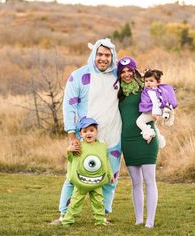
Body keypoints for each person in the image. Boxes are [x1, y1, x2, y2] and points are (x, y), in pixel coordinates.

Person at [51, 38, 122, 224]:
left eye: (107, 55)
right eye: (100, 54)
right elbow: (69, 106)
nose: (103, 58)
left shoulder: (119, 76)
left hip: (112, 139)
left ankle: (103, 216)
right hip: (85, 139)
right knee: (73, 177)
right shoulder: (79, 75)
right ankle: (64, 215)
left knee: (109, 179)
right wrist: (71, 136)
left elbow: (140, 89)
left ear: (112, 56)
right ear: (94, 55)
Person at [117, 56, 159, 228]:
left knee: (149, 180)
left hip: (146, 137)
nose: (127, 74)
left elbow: (160, 99)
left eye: (129, 70)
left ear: (135, 71)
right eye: (123, 71)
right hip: (128, 140)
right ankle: (139, 219)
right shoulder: (117, 91)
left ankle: (149, 221)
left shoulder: (145, 88)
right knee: (135, 182)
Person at [62, 117, 114, 226]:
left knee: (98, 202)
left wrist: (110, 174)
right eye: (84, 131)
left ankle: (100, 221)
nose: (88, 133)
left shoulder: (102, 146)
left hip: (97, 181)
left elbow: (106, 161)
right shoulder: (78, 145)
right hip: (81, 182)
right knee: (75, 202)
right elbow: (71, 159)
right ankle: (67, 220)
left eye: (91, 130)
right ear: (80, 133)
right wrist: (69, 151)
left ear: (96, 131)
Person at [136, 69, 178, 147]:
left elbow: (155, 103)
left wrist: (155, 113)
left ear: (158, 82)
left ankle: (148, 133)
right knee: (154, 125)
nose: (148, 83)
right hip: (157, 110)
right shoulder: (157, 89)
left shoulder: (151, 92)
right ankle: (160, 140)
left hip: (153, 111)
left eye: (151, 81)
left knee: (139, 122)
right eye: (146, 81)